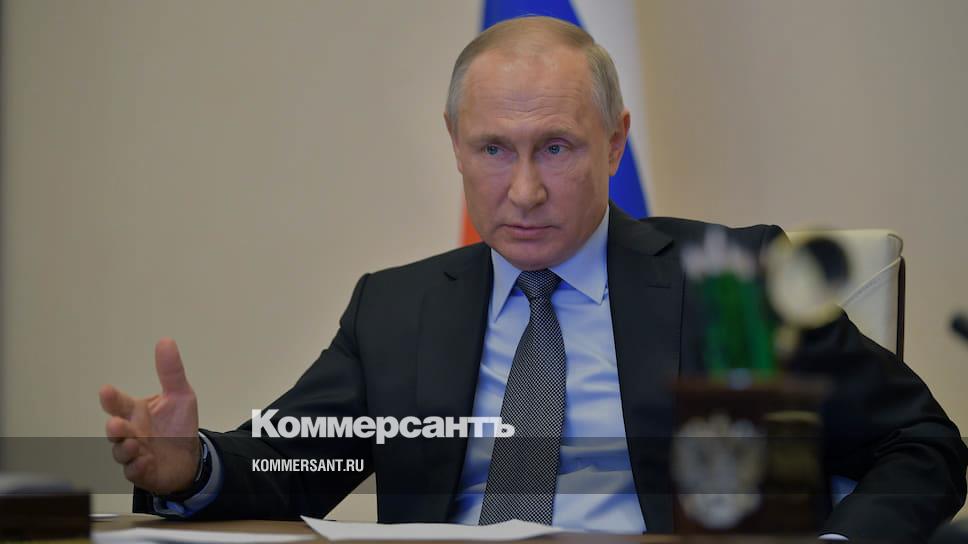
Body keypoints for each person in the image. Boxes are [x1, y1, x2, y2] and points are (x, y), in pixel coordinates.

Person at [98, 16, 966, 540]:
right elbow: (295, 463)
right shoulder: (395, 308)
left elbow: (921, 446)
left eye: (555, 147)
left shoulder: (731, 279)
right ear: (454, 145)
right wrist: (189, 465)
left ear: (615, 143)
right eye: (492, 150)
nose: (522, 191)